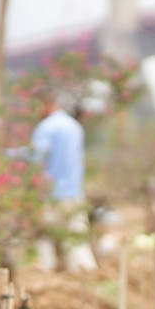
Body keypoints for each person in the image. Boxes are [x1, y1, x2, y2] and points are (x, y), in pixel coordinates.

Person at [21, 86, 98, 272]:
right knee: (75, 236)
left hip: (51, 192)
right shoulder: (74, 126)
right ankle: (84, 273)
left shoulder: (46, 127)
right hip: (73, 191)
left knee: (44, 236)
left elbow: (36, 155)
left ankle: (45, 271)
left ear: (45, 104)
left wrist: (4, 155)